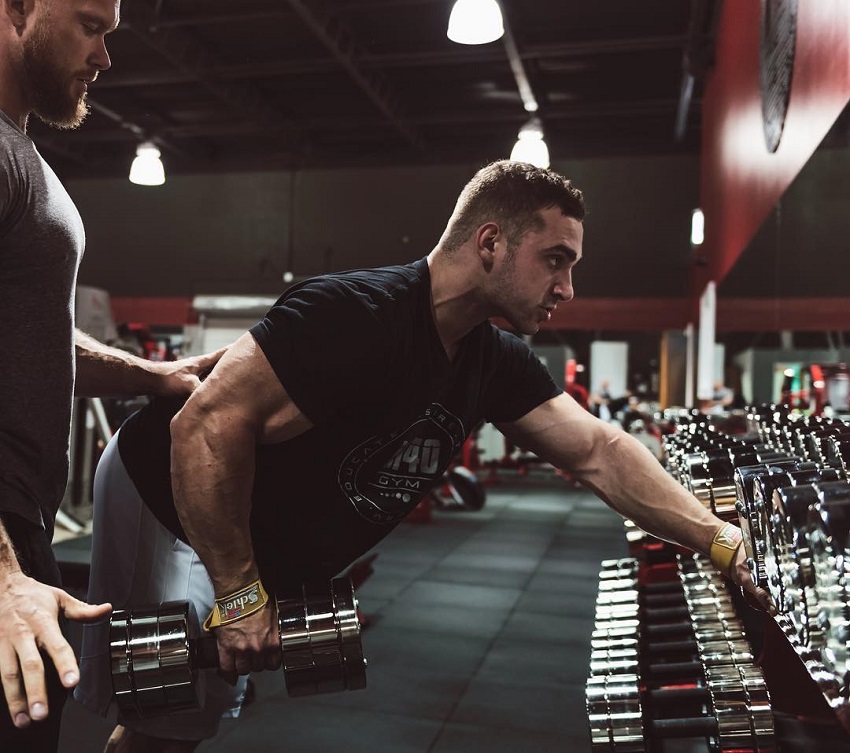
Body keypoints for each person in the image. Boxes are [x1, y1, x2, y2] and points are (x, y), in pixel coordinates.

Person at [75, 160, 772, 752]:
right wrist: (240, 592)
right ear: (492, 242)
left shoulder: (492, 361)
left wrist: (723, 541)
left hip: (252, 524)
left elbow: (600, 449)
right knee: (160, 711)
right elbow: (201, 427)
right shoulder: (355, 313)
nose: (567, 288)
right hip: (163, 493)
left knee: (192, 713)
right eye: (555, 260)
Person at [0, 0, 223, 749]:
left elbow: (38, 340)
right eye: (91, 25)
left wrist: (156, 377)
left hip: (21, 532)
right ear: (16, 10)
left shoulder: (23, 159)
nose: (105, 58)